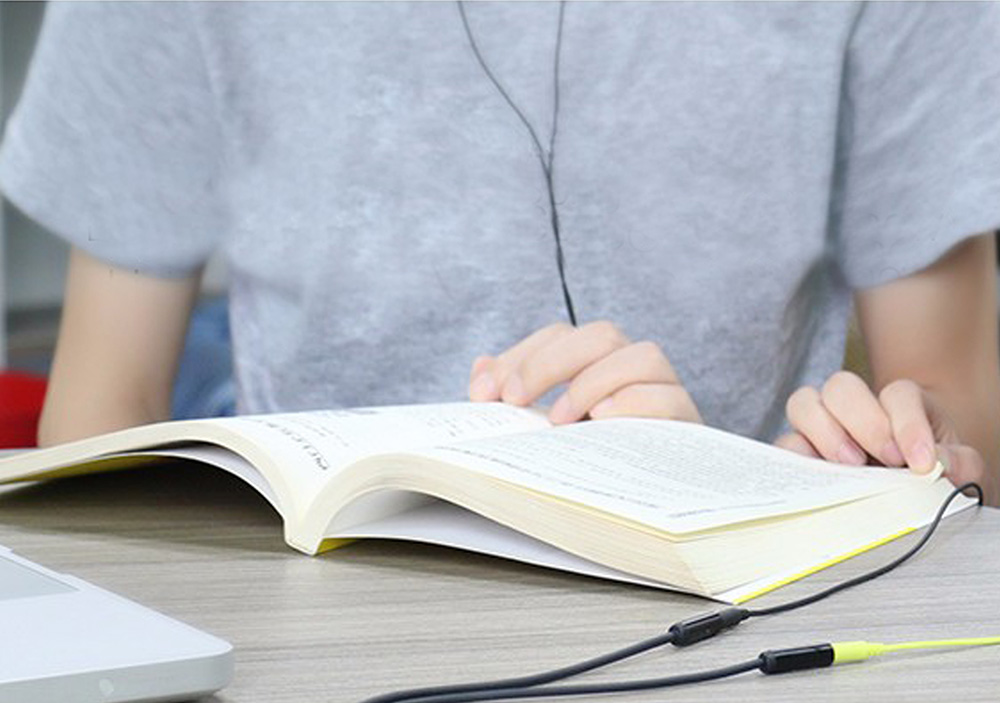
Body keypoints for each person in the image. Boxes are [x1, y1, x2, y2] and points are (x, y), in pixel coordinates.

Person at [1, 2, 998, 501]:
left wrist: (895, 458)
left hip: (734, 623)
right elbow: (103, 406)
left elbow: (959, 409)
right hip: (294, 610)